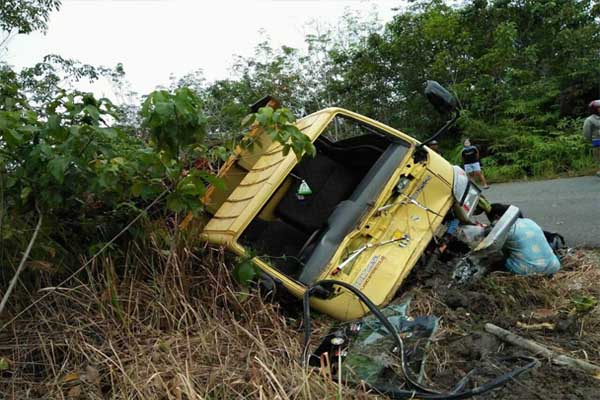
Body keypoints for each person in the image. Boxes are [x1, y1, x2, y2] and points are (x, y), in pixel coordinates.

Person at [486, 203, 560, 276]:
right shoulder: (529, 221)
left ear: (497, 217)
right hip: (553, 266)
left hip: (528, 270)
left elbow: (492, 248)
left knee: (495, 261)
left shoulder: (505, 230)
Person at [582, 100, 600, 177]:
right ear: (594, 109)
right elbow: (586, 133)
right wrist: (590, 141)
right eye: (599, 107)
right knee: (599, 157)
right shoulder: (589, 120)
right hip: (597, 141)